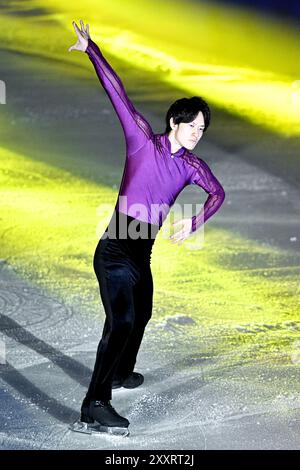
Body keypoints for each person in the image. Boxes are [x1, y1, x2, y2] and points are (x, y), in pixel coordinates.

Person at [68, 20, 225, 436]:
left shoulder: (192, 165)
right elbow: (117, 92)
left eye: (202, 130)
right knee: (120, 321)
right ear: (175, 120)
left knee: (143, 314)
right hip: (116, 247)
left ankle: (120, 373)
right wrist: (91, 49)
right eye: (193, 126)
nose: (197, 134)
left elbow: (218, 194)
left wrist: (195, 221)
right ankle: (94, 404)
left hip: (142, 251)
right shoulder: (142, 140)